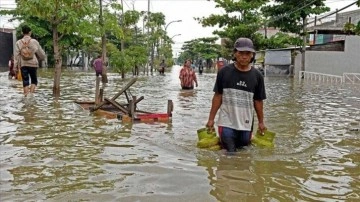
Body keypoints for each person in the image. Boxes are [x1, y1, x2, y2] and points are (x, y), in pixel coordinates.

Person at [206, 38, 266, 152]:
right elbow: (218, 96)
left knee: (243, 153)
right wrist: (211, 119)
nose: (244, 56)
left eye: (247, 53)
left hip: (246, 124)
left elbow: (258, 101)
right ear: (235, 53)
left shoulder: (257, 76)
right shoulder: (224, 72)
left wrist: (261, 122)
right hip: (226, 122)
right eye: (241, 53)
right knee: (230, 153)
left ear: (252, 55)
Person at [14, 25, 46, 97]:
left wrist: (15, 67)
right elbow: (41, 53)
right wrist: (43, 58)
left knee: (25, 81)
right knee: (34, 81)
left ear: (22, 32)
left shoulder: (18, 42)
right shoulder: (34, 41)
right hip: (33, 64)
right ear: (30, 32)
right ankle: (31, 95)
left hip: (23, 64)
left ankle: (26, 96)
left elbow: (16, 56)